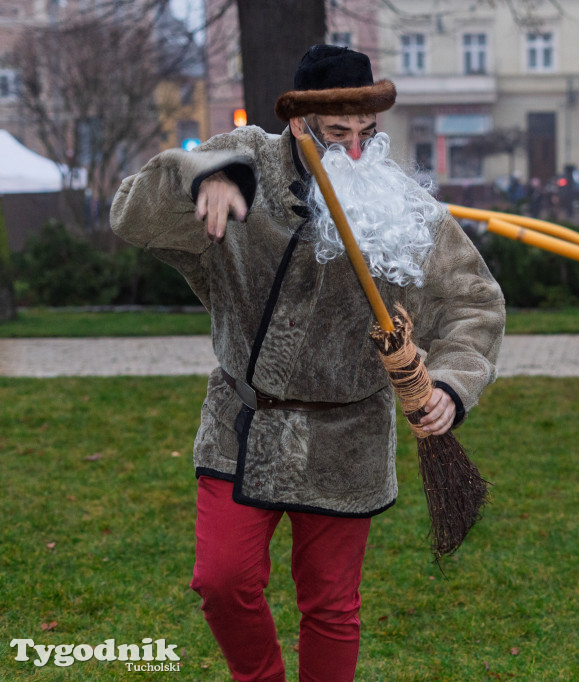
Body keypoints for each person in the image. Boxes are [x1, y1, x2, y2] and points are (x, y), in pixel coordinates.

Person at [110, 45, 505, 681]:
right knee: (221, 582)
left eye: (367, 132)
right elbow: (132, 213)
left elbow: (473, 302)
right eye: (338, 133)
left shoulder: (401, 206)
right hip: (243, 425)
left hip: (346, 438)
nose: (356, 150)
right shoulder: (242, 161)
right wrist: (201, 177)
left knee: (331, 605)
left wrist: (453, 387)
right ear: (299, 123)